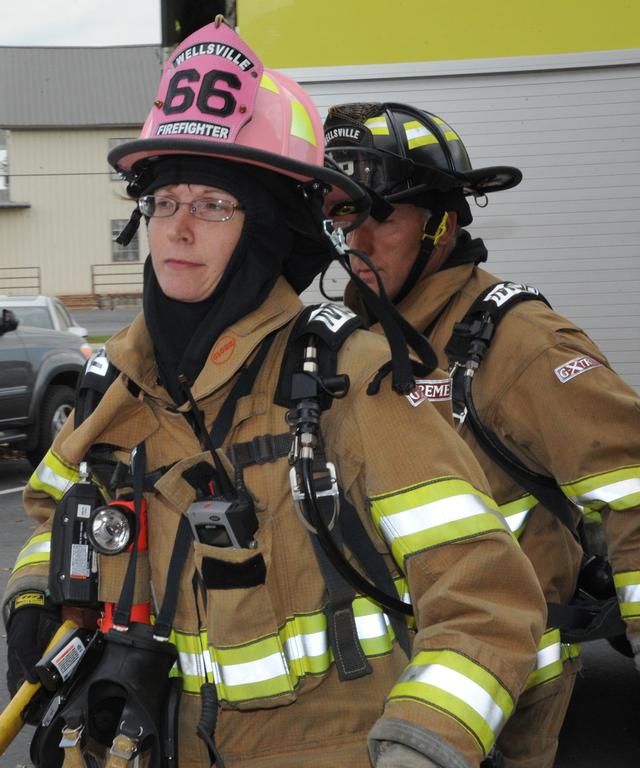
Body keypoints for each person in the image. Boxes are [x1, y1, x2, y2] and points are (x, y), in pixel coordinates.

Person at [1, 23, 547, 768]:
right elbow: (51, 514)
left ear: (263, 232)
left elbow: (487, 600)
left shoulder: (349, 383)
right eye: (164, 201)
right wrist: (35, 591)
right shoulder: (116, 385)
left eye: (214, 205)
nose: (178, 228)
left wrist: (426, 742)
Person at [323, 100, 640, 767]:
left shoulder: (518, 347)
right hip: (384, 698)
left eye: (382, 215)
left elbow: (633, 491)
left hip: (501, 703)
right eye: (345, 215)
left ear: (442, 221)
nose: (358, 239)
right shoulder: (354, 344)